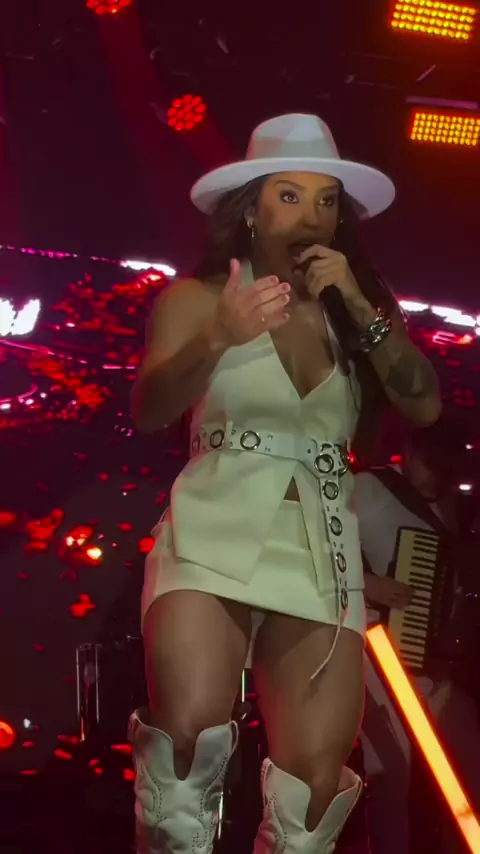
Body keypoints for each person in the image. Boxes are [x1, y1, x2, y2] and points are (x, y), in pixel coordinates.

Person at [129, 113, 442, 854]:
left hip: (319, 551)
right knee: (184, 755)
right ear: (252, 209)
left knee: (313, 797)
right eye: (291, 196)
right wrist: (219, 337)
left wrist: (361, 307)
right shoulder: (198, 298)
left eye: (326, 201)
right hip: (213, 531)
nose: (311, 217)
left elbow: (425, 403)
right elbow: (149, 409)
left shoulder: (355, 316)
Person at [355, 419, 480, 854]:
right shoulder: (367, 489)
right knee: (391, 774)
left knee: (469, 771)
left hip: (433, 664)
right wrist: (367, 584)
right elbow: (314, 549)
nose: (434, 477)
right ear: (408, 452)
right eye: (430, 463)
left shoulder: (448, 506)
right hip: (376, 654)